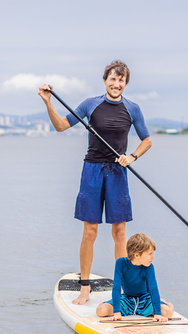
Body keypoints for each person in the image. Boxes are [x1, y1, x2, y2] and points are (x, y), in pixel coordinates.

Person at [38, 60, 153, 305]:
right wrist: (48, 102)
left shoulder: (133, 109)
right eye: (113, 79)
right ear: (105, 81)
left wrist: (132, 156)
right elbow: (60, 126)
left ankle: (123, 290)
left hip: (117, 173)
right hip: (91, 172)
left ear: (125, 84)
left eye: (121, 80)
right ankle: (85, 289)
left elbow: (147, 141)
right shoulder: (91, 104)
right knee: (90, 232)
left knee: (120, 233)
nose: (116, 84)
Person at [96, 233, 174, 322]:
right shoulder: (121, 263)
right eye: (150, 254)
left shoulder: (149, 267)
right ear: (136, 255)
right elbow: (116, 287)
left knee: (167, 312)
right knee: (101, 311)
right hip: (127, 300)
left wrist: (157, 314)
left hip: (145, 300)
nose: (153, 257)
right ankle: (116, 306)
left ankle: (168, 304)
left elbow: (153, 289)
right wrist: (117, 312)